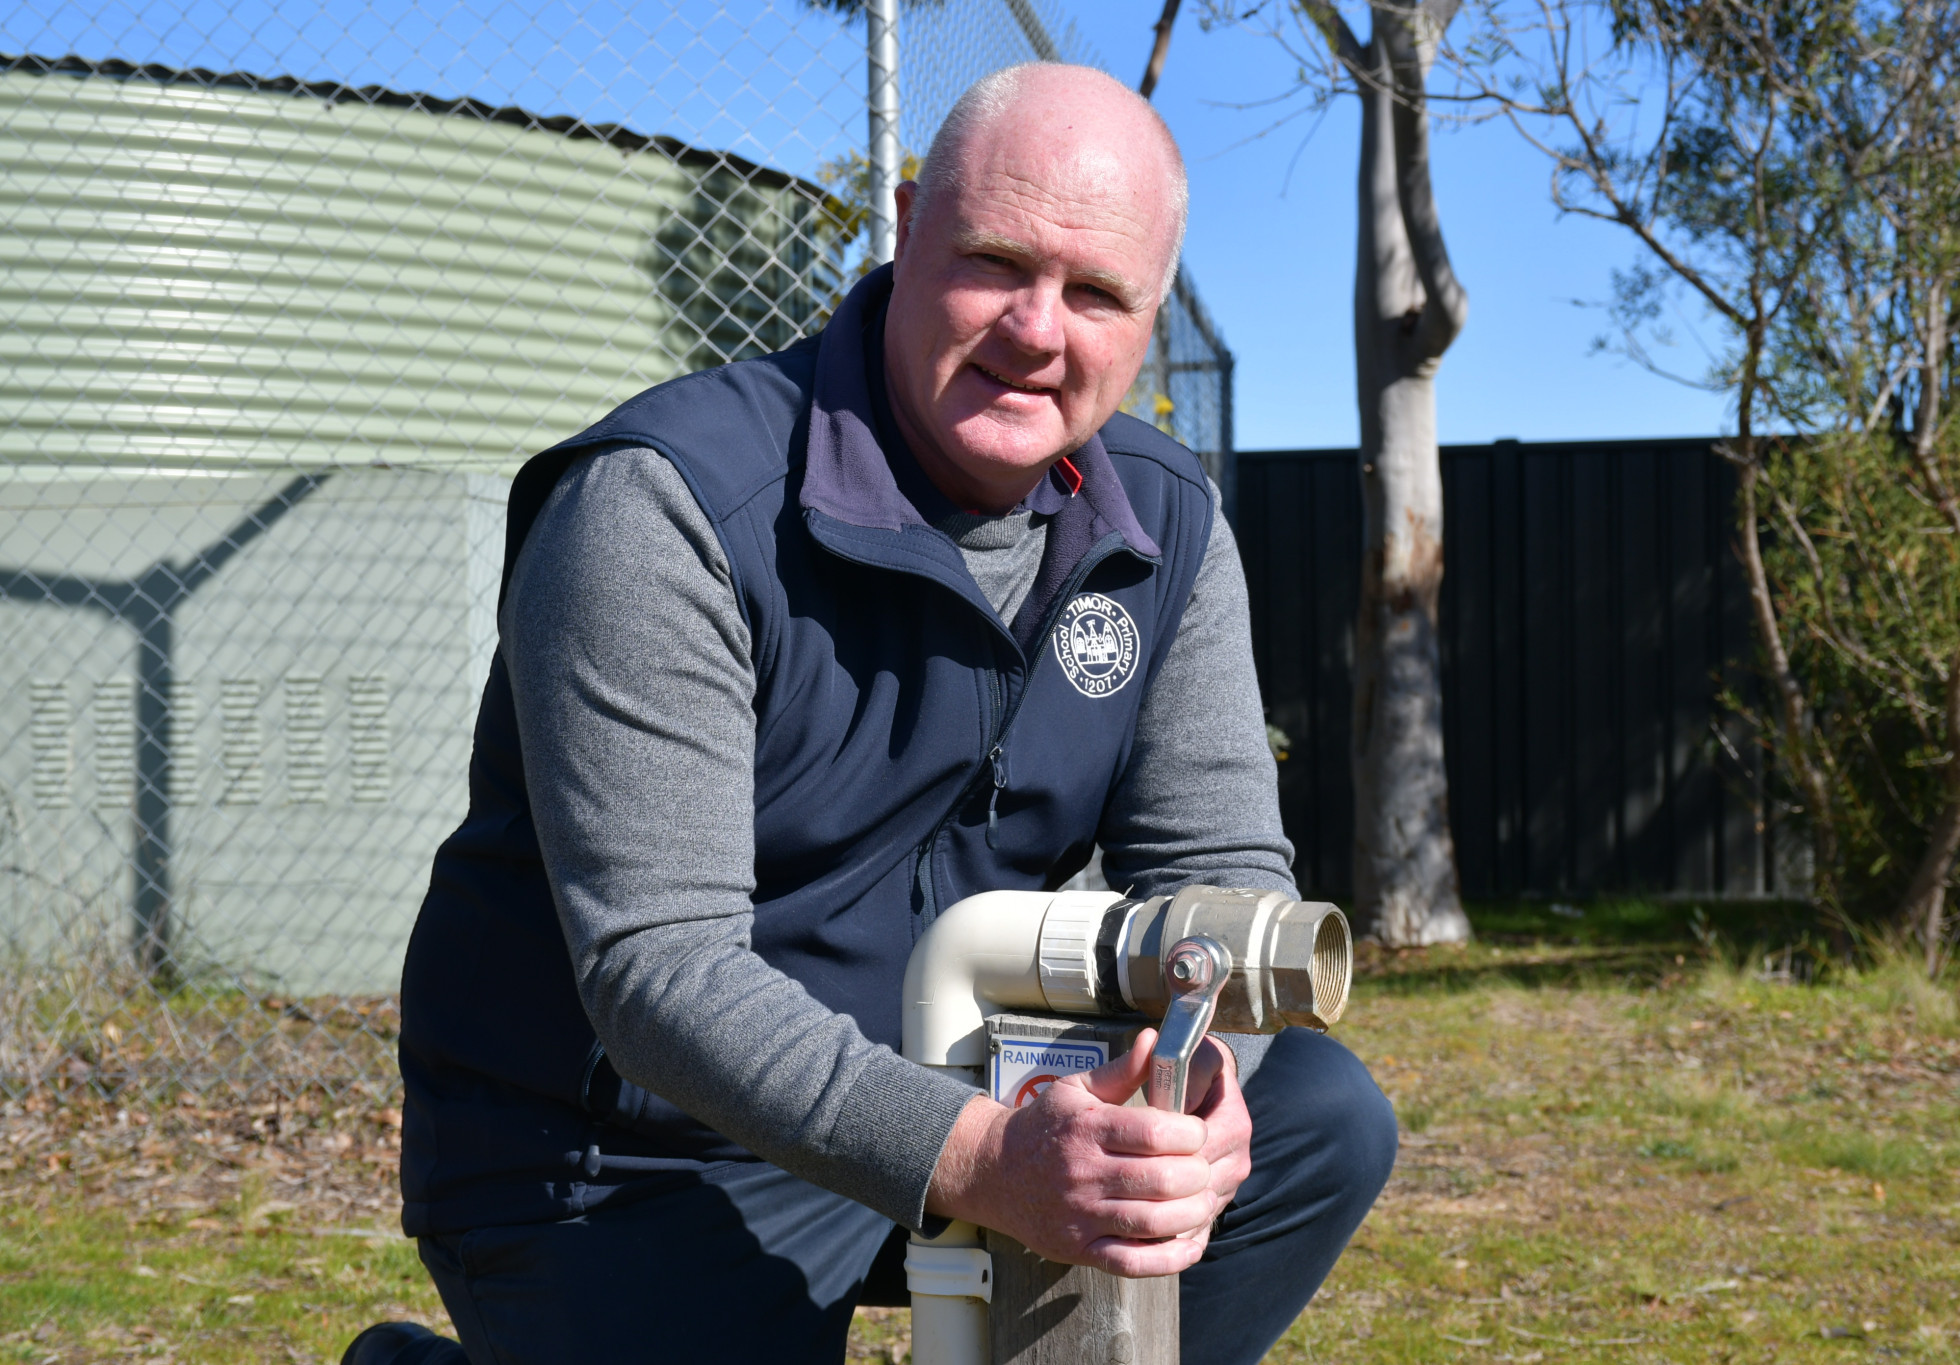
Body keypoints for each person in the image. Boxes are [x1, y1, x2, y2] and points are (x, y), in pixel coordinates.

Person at [349, 61, 1396, 1365]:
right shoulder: (667, 506)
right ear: (905, 229)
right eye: (995, 261)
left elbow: (1223, 879)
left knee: (1319, 1118)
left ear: (1150, 311)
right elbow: (661, 974)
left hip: (974, 1067)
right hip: (634, 1144)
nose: (1037, 327)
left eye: (1097, 293)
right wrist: (983, 1156)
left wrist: (1206, 1076)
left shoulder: (1167, 527)